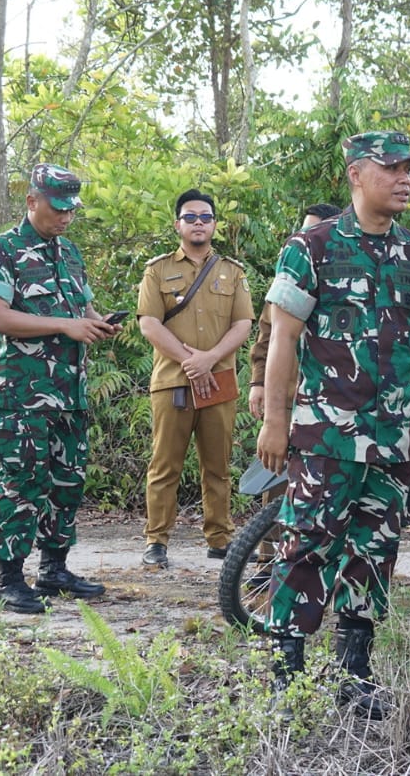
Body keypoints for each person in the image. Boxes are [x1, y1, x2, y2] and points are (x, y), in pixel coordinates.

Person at [256, 130, 410, 720]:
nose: (405, 178)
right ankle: (286, 670)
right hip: (323, 434)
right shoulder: (312, 246)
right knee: (305, 544)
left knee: (375, 550)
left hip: (390, 436)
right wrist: (276, 420)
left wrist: (387, 383)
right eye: (392, 168)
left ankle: (353, 672)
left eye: (409, 169)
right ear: (357, 174)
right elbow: (284, 337)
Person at [0, 164, 122, 614]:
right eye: (58, 209)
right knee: (23, 482)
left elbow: (83, 309)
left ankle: (53, 569)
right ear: (32, 200)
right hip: (23, 392)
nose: (65, 218)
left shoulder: (70, 253)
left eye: (71, 211)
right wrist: (64, 324)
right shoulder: (4, 249)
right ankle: (8, 579)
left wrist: (97, 325)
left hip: (70, 391)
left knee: (67, 481)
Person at [137, 189, 254, 567]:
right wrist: (192, 362)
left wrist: (211, 359)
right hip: (173, 381)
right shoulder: (157, 270)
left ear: (215, 224)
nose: (198, 223)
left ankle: (220, 540)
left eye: (205, 217)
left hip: (219, 380)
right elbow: (149, 324)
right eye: (191, 217)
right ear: (178, 224)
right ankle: (156, 542)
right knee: (165, 465)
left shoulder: (232, 272)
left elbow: (243, 324)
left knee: (217, 466)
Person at [247, 202, 344, 419]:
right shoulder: (290, 281)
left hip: (332, 405)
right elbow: (267, 335)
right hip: (288, 399)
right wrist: (258, 382)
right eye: (302, 231)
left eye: (312, 232)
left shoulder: (349, 288)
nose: (304, 239)